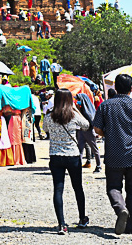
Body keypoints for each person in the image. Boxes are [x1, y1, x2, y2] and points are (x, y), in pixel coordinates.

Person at [94, 74, 132, 235]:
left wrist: (109, 134)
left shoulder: (105, 106)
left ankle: (121, 209)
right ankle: (131, 226)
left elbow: (97, 129)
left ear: (115, 87)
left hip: (113, 154)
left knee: (113, 187)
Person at [43, 88, 90, 235]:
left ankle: (62, 224)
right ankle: (82, 218)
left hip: (55, 156)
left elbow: (45, 129)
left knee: (58, 189)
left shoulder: (49, 116)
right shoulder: (74, 115)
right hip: (72, 156)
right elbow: (87, 125)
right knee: (78, 187)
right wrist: (76, 109)